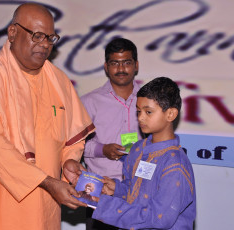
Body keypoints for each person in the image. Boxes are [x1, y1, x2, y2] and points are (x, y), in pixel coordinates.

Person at [0, 3, 95, 230]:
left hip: (45, 207)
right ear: (13, 32)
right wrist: (48, 183)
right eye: (38, 35)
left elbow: (70, 138)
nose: (44, 44)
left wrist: (69, 160)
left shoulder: (59, 82)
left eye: (50, 38)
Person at [92, 77, 196, 229]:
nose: (140, 117)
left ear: (171, 114)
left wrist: (104, 206)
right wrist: (115, 189)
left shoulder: (175, 164)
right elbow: (133, 190)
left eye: (148, 112)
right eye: (139, 111)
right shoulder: (138, 149)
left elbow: (158, 218)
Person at [80, 38, 142, 229]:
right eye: (115, 63)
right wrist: (102, 149)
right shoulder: (89, 102)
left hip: (138, 190)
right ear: (107, 67)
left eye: (127, 62)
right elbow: (73, 146)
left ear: (136, 65)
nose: (121, 68)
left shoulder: (148, 100)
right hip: (101, 191)